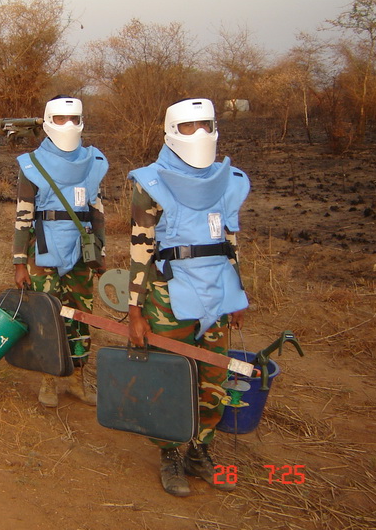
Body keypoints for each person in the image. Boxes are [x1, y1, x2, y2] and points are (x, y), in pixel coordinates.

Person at [126, 98, 250, 497]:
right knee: (169, 379)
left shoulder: (229, 180)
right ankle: (169, 455)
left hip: (216, 293)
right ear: (170, 132)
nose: (198, 134)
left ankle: (200, 451)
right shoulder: (151, 182)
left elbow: (230, 242)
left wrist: (237, 296)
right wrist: (134, 311)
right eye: (188, 126)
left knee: (214, 378)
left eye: (205, 125)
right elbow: (140, 251)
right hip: (167, 297)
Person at [13, 95, 108, 407]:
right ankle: (48, 380)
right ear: (47, 122)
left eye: (73, 118)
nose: (68, 125)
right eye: (60, 118)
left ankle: (79, 379)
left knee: (81, 313)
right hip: (44, 247)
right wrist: (19, 262)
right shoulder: (31, 164)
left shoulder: (93, 161)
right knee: (48, 314)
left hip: (81, 249)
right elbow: (23, 215)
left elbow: (97, 210)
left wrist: (100, 252)